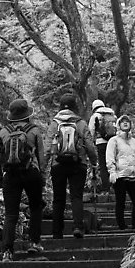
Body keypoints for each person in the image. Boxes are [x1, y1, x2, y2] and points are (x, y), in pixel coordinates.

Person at [0, 99, 46, 261]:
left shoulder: (3, 132)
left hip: (10, 176)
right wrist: (42, 176)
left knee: (10, 214)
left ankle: (7, 251)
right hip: (31, 173)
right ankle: (34, 242)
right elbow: (41, 157)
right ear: (27, 114)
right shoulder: (34, 131)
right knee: (36, 207)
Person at [45, 93, 98, 239]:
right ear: (75, 106)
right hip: (78, 163)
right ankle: (78, 228)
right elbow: (89, 145)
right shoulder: (80, 123)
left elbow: (47, 147)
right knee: (76, 196)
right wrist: (94, 162)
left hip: (58, 164)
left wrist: (43, 169)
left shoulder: (54, 123)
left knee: (58, 198)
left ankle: (57, 232)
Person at [105, 115, 135, 230]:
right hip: (120, 175)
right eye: (122, 122)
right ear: (119, 125)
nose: (125, 123)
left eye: (127, 122)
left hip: (133, 175)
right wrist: (112, 171)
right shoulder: (113, 141)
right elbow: (110, 157)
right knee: (121, 201)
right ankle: (122, 225)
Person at [88, 99, 117, 192]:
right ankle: (116, 186)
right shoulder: (113, 115)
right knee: (113, 163)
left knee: (103, 165)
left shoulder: (95, 116)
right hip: (113, 142)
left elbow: (91, 131)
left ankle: (106, 188)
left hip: (101, 143)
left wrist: (91, 143)